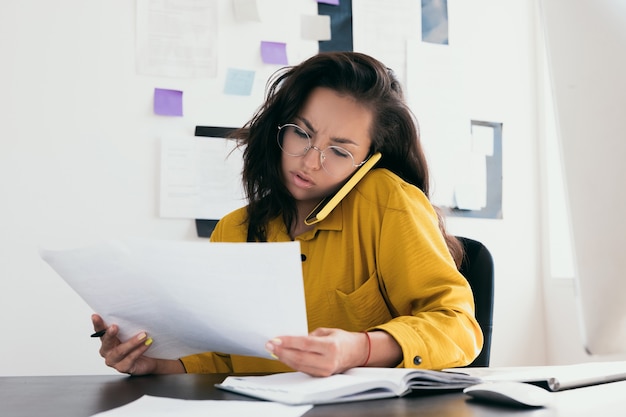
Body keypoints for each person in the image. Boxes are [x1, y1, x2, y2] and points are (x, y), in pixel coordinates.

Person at [91, 51, 483, 377]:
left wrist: (358, 348)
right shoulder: (234, 230)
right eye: (302, 133)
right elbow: (222, 359)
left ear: (367, 161)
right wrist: (153, 364)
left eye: (340, 151)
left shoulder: (387, 202)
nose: (311, 162)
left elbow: (458, 326)